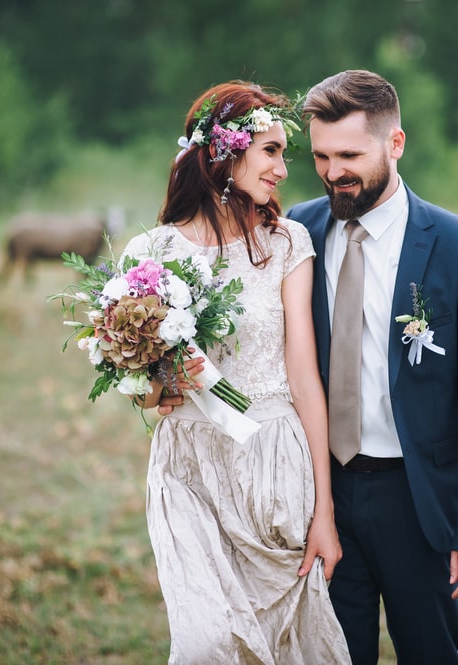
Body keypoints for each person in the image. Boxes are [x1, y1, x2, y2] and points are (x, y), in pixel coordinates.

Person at [283, 70, 458, 664]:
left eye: (350, 155)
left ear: (396, 144)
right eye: (322, 156)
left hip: (417, 498)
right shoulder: (295, 233)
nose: (335, 172)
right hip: (321, 494)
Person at [121, 81, 350, 664]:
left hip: (271, 460)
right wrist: (153, 393)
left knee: (288, 648)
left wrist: (325, 510)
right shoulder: (151, 253)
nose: (281, 168)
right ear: (225, 152)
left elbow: (304, 378)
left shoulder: (286, 242)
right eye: (270, 150)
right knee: (206, 646)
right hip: (186, 469)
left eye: (283, 153)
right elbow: (142, 382)